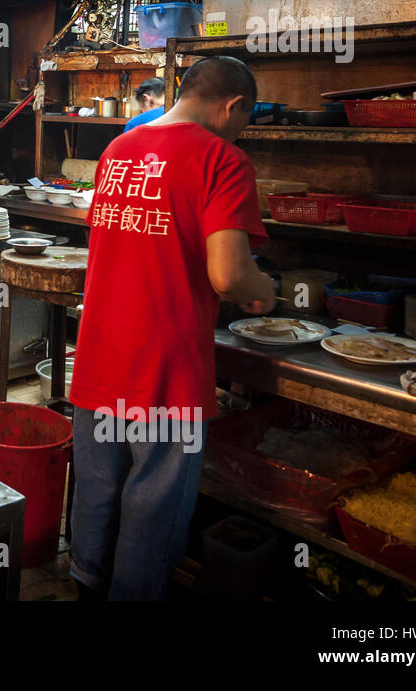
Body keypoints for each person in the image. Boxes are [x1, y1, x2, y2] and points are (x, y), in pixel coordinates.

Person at [68, 55, 274, 601]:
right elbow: (229, 274)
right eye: (243, 121)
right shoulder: (223, 160)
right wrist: (265, 291)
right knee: (153, 502)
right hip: (166, 366)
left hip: (97, 356)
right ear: (232, 106)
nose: (239, 133)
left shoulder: (118, 150)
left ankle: (86, 583)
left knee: (97, 486)